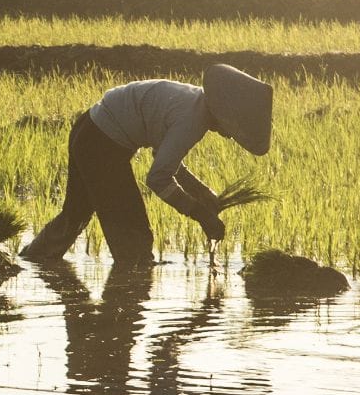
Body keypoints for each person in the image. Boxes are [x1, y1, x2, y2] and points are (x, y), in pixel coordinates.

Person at [19, 64, 272, 266]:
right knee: (134, 238)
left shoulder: (193, 100)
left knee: (74, 214)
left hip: (88, 129)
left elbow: (164, 157)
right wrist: (200, 214)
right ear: (225, 112)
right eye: (234, 128)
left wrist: (202, 192)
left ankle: (32, 260)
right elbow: (158, 178)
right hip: (102, 145)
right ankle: (127, 302)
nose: (230, 136)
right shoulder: (192, 121)